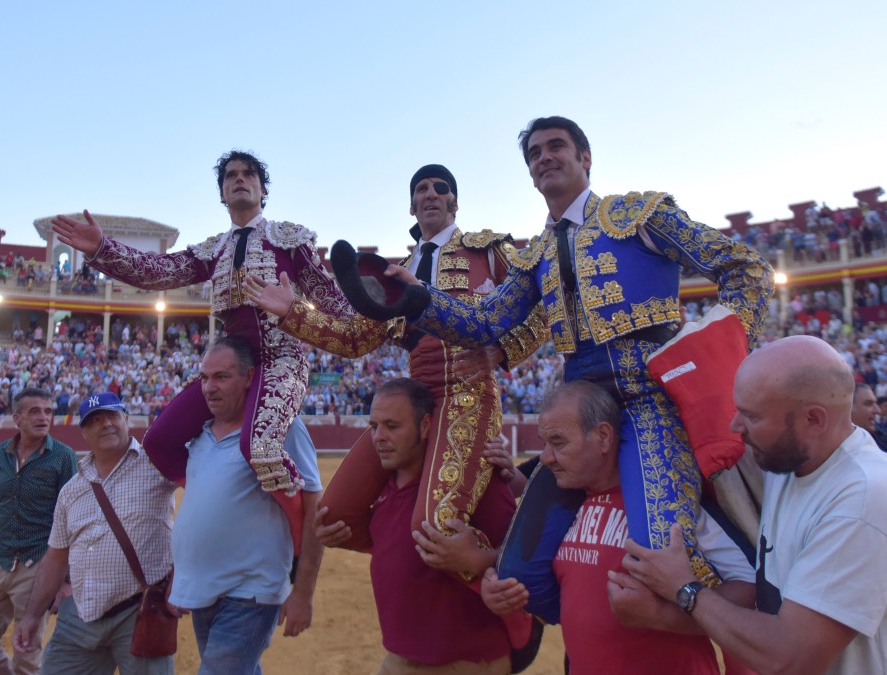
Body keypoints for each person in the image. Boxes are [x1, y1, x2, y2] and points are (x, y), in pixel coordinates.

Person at [380, 116, 774, 584]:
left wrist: (717, 353)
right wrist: (416, 296)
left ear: (585, 158)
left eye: (556, 146)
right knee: (520, 569)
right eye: (535, 154)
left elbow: (747, 269)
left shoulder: (640, 216)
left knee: (663, 552)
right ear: (530, 174)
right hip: (578, 412)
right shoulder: (536, 255)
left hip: (649, 399)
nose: (544, 157)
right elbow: (484, 322)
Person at [50, 150, 353, 540]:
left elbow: (331, 300)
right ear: (222, 193)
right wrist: (101, 248)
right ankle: (217, 498)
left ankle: (294, 545)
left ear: (263, 191)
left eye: (249, 174)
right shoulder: (214, 249)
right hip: (228, 366)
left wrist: (358, 316)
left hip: (281, 359)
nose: (239, 179)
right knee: (160, 441)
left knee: (261, 447)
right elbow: (156, 271)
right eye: (231, 175)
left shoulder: (290, 239)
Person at [244, 164, 545, 549]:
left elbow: (543, 305)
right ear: (411, 206)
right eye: (422, 188)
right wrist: (292, 311)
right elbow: (355, 339)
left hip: (468, 396)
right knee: (334, 516)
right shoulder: (393, 274)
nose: (431, 193)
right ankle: (405, 552)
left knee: (436, 525)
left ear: (455, 202)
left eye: (441, 187)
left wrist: (500, 349)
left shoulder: (488, 250)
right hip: (412, 401)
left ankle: (486, 571)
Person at [623, 335, 887, 674]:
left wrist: (685, 588)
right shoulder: (790, 462)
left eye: (752, 416)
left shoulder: (862, 499)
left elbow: (790, 657)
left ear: (813, 420)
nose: (735, 426)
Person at [480, 381, 755, 674]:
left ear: (603, 437)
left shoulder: (669, 501)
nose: (546, 457)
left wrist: (662, 615)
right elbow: (574, 606)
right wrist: (501, 593)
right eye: (544, 443)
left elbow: (749, 593)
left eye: (558, 442)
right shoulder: (566, 508)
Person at [314, 378, 516, 674]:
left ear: (425, 426)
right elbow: (392, 547)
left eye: (392, 426)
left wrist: (483, 559)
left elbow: (524, 551)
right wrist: (338, 535)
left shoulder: (474, 483)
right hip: (397, 659)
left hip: (467, 663)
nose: (379, 437)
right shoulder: (382, 489)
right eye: (374, 426)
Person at [166, 336, 324, 675]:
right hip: (203, 587)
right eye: (204, 378)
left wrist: (303, 593)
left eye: (221, 377)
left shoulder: (280, 428)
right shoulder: (198, 434)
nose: (209, 387)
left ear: (249, 377)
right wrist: (183, 576)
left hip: (251, 590)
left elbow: (314, 506)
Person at [13, 392, 176, 675]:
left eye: (112, 416)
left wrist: (183, 573)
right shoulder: (71, 490)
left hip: (139, 612)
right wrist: (31, 616)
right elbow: (55, 558)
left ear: (126, 419)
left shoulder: (157, 466)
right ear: (84, 432)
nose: (105, 424)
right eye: (95, 420)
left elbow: (202, 503)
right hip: (79, 615)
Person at [0, 388, 78, 675]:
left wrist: (65, 579)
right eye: (35, 411)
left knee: (27, 654)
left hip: (40, 565)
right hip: (2, 562)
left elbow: (73, 519)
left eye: (48, 411)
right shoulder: (1, 454)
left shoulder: (63, 456)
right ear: (17, 418)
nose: (44, 417)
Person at [851, 382, 887, 450]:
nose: (878, 411)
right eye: (868, 404)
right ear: (848, 408)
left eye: (876, 403)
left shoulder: (881, 437)